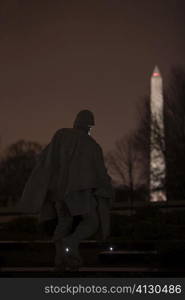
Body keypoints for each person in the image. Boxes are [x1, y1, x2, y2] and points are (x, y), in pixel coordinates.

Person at [19, 110, 114, 271]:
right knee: (92, 221)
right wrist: (105, 189)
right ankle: (72, 242)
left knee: (64, 222)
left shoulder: (61, 135)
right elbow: (100, 173)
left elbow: (46, 160)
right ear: (89, 126)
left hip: (58, 191)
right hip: (80, 190)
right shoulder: (92, 145)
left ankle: (61, 259)